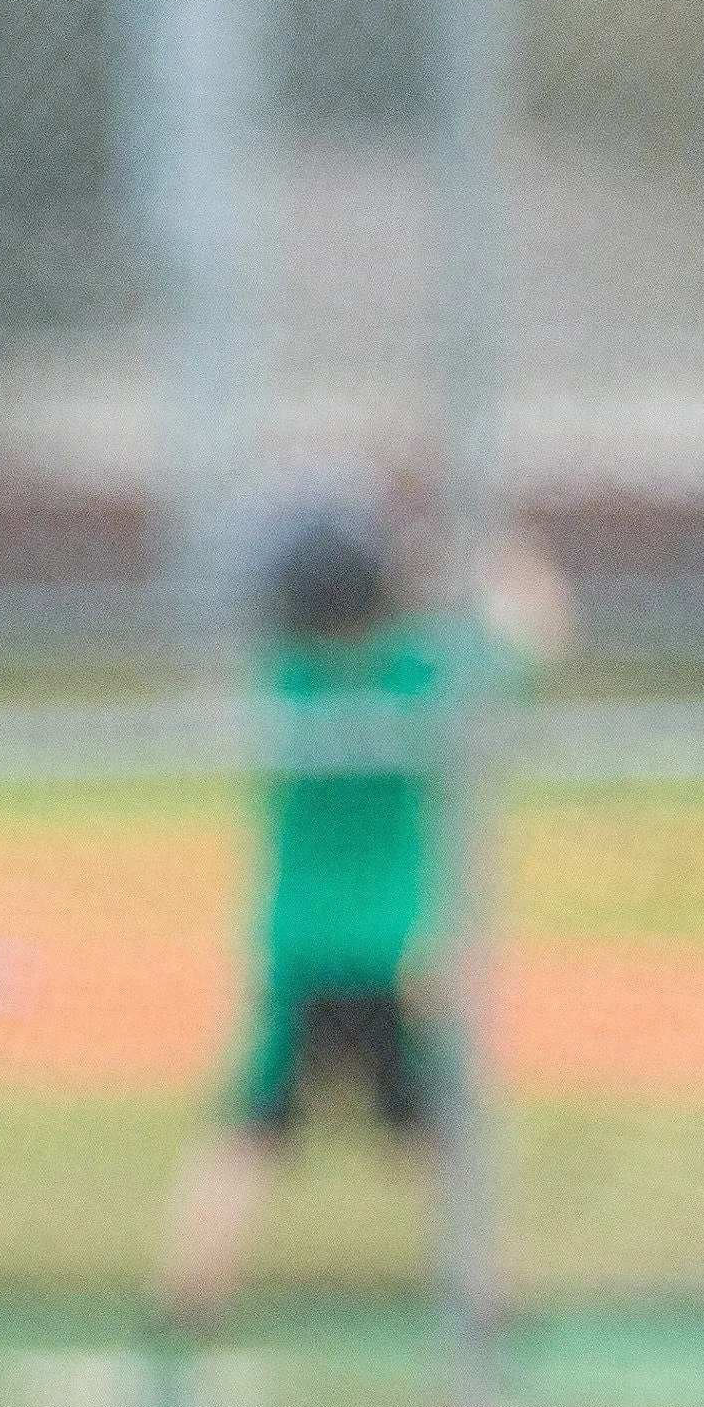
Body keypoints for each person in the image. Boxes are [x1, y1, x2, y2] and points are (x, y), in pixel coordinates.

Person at [151, 500, 563, 1347]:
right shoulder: (417, 673)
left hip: (298, 949)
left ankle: (186, 1304)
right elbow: (540, 631)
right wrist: (478, 540)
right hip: (396, 950)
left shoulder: (286, 681)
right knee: (436, 1135)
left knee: (253, 1130)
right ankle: (487, 1304)